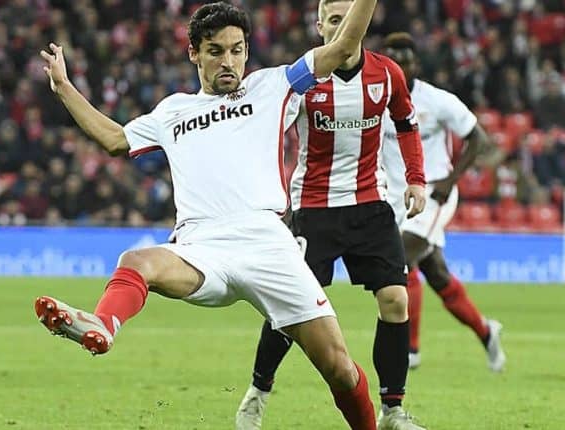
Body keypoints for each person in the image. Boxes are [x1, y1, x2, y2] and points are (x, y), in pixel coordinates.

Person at [33, 2, 382, 428]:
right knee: (136, 260)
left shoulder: (274, 86)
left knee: (340, 369)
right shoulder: (173, 110)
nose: (228, 61)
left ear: (247, 51)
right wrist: (63, 87)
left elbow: (344, 47)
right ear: (194, 53)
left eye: (237, 50)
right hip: (201, 248)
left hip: (268, 245)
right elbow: (115, 139)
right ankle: (103, 323)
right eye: (215, 51)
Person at [234, 1, 428, 429]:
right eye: (334, 20)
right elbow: (265, 134)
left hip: (370, 204)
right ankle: (258, 392)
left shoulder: (387, 74)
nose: (343, 27)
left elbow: (406, 124)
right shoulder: (302, 81)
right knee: (289, 307)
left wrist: (416, 179)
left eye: (349, 18)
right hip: (314, 210)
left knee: (395, 299)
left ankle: (393, 410)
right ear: (320, 25)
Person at [379, 32, 505, 372]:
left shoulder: (437, 101)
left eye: (405, 60)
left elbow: (478, 138)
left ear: (416, 65)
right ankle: (486, 332)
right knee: (435, 272)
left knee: (401, 257)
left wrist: (450, 181)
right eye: (393, 60)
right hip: (394, 197)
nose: (399, 66)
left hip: (433, 192)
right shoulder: (375, 101)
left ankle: (410, 349)